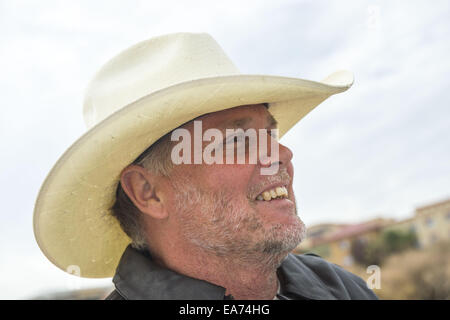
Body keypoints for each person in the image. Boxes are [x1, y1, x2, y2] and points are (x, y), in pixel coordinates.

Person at [33, 32, 378, 300]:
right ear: (148, 192)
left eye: (270, 134)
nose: (282, 154)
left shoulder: (341, 288)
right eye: (237, 141)